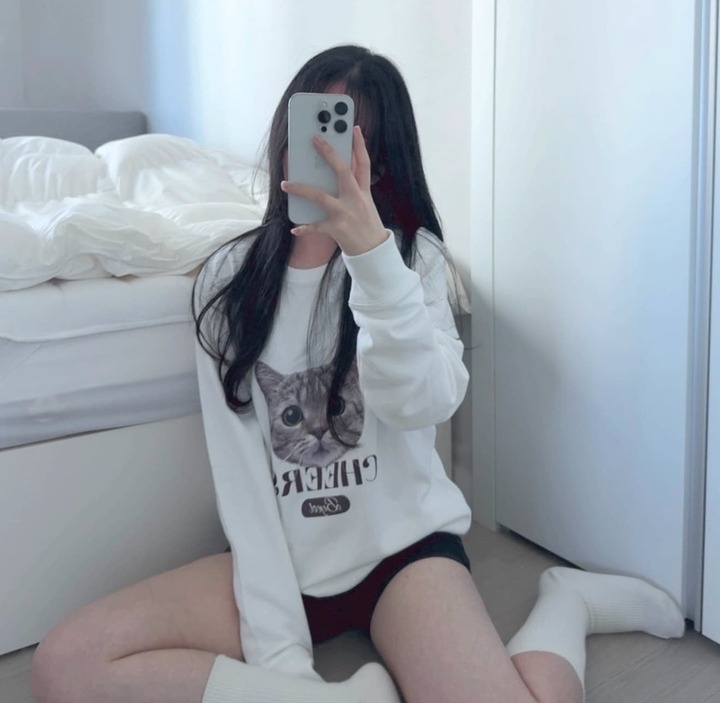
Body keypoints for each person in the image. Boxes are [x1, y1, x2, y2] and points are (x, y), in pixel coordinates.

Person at [30, 45, 686, 703]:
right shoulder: (228, 285)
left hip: (401, 551)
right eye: (313, 128)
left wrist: (371, 256)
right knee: (67, 664)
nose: (325, 154)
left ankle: (569, 600)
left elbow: (421, 402)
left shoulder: (414, 263)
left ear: (382, 161)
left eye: (346, 138)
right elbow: (243, 485)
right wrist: (286, 667)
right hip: (282, 562)